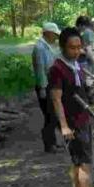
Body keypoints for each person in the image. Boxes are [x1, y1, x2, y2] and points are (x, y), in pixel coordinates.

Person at [49, 27, 94, 187]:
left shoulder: (75, 63)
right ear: (62, 47)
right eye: (72, 47)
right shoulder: (57, 68)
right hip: (72, 121)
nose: (77, 51)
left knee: (77, 160)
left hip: (82, 117)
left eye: (79, 47)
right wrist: (64, 125)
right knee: (84, 160)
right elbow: (56, 98)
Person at [33, 22, 62, 153]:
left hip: (50, 83)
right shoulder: (40, 48)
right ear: (48, 33)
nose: (56, 37)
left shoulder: (47, 46)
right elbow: (40, 70)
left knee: (53, 114)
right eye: (54, 34)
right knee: (50, 115)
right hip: (45, 85)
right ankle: (49, 144)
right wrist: (43, 88)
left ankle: (53, 142)